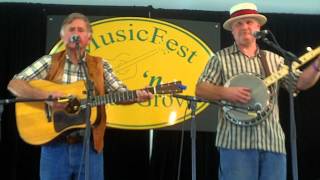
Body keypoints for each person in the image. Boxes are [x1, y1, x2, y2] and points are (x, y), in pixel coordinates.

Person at [7, 12, 153, 180]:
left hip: (90, 147)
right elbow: (14, 84)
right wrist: (46, 95)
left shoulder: (100, 65)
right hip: (54, 147)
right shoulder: (50, 62)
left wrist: (136, 96)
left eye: (81, 30)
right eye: (71, 29)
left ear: (89, 38)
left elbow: (119, 93)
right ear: (63, 37)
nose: (76, 33)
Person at [195, 2, 320, 180]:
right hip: (235, 143)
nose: (244, 27)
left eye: (249, 22)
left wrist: (317, 65)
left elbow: (299, 83)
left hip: (272, 142)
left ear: (258, 27)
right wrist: (226, 92)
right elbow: (200, 89)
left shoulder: (274, 59)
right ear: (232, 30)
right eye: (238, 23)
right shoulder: (220, 59)